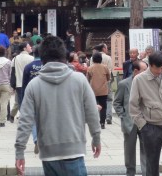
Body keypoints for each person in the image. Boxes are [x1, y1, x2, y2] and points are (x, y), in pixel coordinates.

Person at [15, 35, 101, 176]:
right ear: (64, 56)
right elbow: (92, 111)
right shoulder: (79, 80)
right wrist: (96, 137)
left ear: (42, 59)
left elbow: (25, 120)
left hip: (48, 153)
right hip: (74, 149)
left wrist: (20, 152)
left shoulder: (34, 85)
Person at [129, 50, 162, 176]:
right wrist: (143, 125)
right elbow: (133, 105)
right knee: (152, 162)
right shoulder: (139, 80)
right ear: (150, 65)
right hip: (151, 126)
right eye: (156, 68)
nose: (159, 71)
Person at [114, 59, 148, 176]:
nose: (147, 72)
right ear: (136, 71)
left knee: (146, 150)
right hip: (130, 122)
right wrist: (123, 116)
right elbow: (117, 102)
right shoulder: (124, 84)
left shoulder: (148, 83)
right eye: (144, 70)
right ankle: (130, 173)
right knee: (129, 151)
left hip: (145, 121)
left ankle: (146, 173)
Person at [22, 45, 43, 154]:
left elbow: (24, 85)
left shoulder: (28, 67)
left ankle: (36, 140)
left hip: (31, 96)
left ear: (33, 54)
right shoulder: (46, 66)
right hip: (45, 96)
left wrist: (23, 99)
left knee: (33, 120)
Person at [10, 42, 34, 120]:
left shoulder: (15, 59)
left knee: (20, 101)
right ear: (24, 48)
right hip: (30, 83)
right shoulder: (31, 58)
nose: (30, 47)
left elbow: (12, 72)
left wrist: (12, 85)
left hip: (19, 83)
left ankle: (23, 117)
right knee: (30, 101)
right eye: (29, 46)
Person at [87, 51, 111, 128]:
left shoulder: (90, 68)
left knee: (93, 106)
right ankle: (102, 123)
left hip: (93, 90)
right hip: (103, 90)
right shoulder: (105, 67)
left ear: (93, 59)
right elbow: (108, 78)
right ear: (101, 59)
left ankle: (94, 122)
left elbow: (87, 79)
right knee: (103, 106)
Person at [95, 42, 115, 125]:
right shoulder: (108, 58)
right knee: (109, 99)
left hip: (95, 82)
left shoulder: (93, 57)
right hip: (106, 81)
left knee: (96, 100)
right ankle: (108, 116)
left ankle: (97, 117)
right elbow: (109, 70)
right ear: (103, 48)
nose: (107, 50)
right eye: (106, 48)